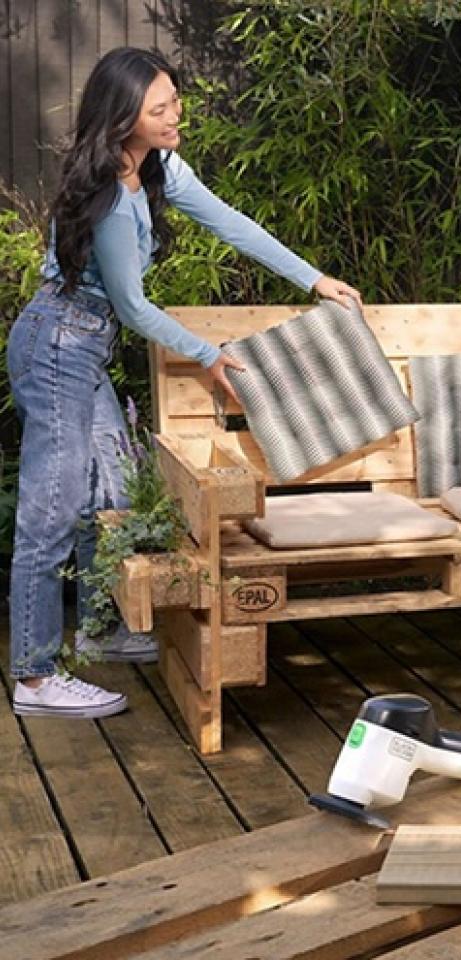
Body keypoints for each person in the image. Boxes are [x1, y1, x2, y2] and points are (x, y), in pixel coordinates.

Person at [7, 47, 361, 719]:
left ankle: (103, 629)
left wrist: (313, 278)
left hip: (82, 343)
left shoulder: (160, 166)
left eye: (175, 101)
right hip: (55, 343)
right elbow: (135, 306)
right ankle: (33, 678)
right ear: (124, 117)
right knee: (50, 509)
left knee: (108, 488)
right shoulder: (111, 194)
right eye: (161, 107)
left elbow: (230, 221)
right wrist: (209, 354)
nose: (177, 115)